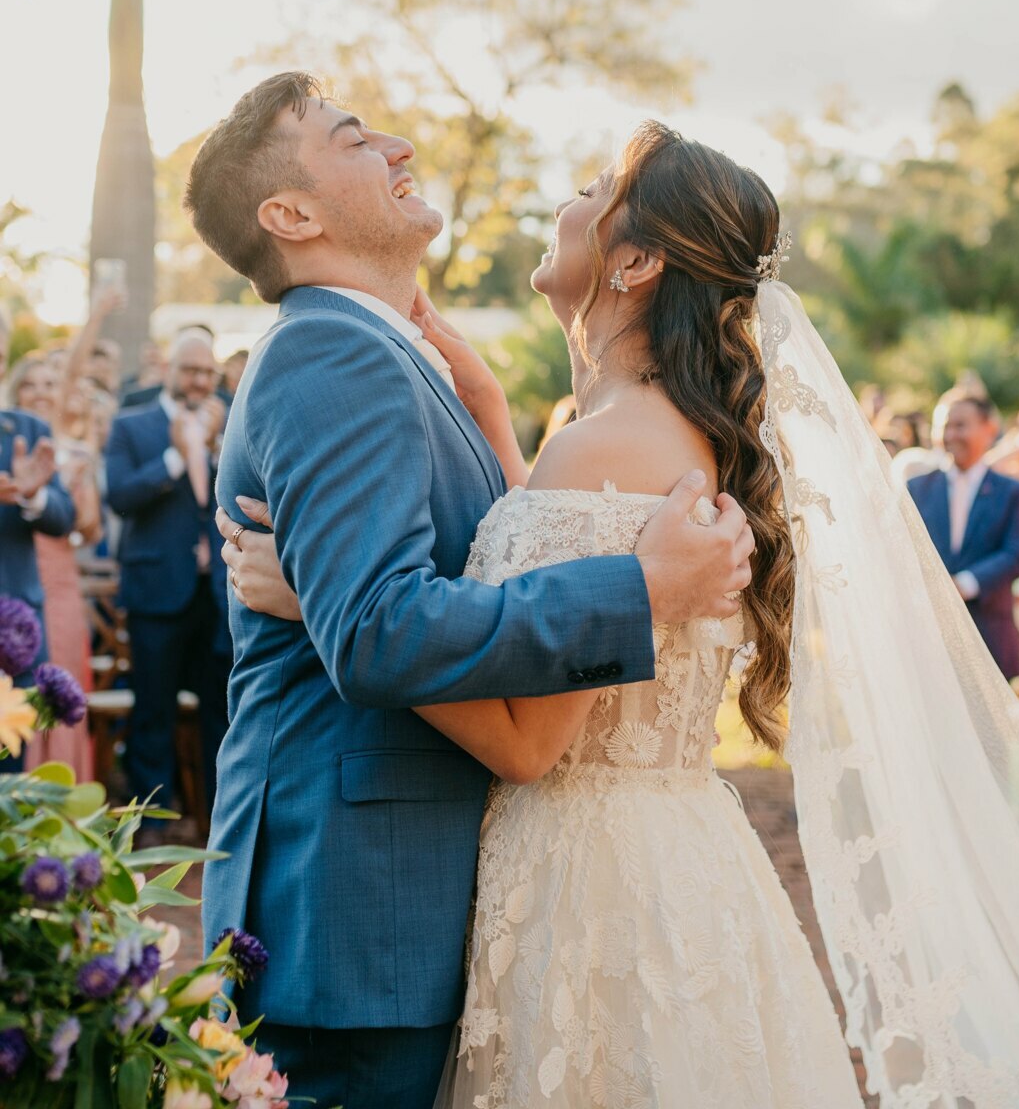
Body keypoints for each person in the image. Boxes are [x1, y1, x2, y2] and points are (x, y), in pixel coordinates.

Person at [218, 104, 1019, 1108]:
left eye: (591, 193)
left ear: (634, 266)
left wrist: (321, 603)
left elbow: (530, 744)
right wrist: (494, 414)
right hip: (666, 860)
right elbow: (543, 553)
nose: (566, 202)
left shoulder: (606, 445)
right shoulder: (638, 433)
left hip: (591, 892)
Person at [183, 75, 756, 1109]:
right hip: (358, 916)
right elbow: (377, 628)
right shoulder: (331, 352)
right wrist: (641, 587)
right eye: (355, 137)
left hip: (404, 906)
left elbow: (457, 569)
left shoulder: (391, 359)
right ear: (293, 215)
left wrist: (489, 414)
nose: (399, 143)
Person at [103, 330, 230, 821]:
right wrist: (175, 457)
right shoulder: (132, 426)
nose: (199, 382)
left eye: (207, 373)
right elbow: (120, 496)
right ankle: (151, 819)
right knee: (152, 707)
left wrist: (218, 450)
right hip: (156, 589)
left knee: (219, 710)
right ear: (169, 371)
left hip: (218, 592)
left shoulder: (231, 424)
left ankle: (216, 819)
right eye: (190, 370)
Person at [6, 352, 98, 780]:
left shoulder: (40, 438)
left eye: (49, 384)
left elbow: (75, 524)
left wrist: (37, 495)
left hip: (34, 601)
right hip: (29, 576)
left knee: (43, 703)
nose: (40, 394)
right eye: (32, 384)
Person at [908, 393, 1019, 679]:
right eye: (944, 426)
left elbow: (1017, 555)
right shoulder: (916, 489)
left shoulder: (1013, 492)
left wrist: (964, 584)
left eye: (960, 425)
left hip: (988, 634)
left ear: (989, 429)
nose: (950, 434)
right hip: (927, 638)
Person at [0, 313, 77, 772]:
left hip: (12, 635)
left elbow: (63, 517)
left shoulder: (27, 430)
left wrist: (34, 496)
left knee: (8, 786)